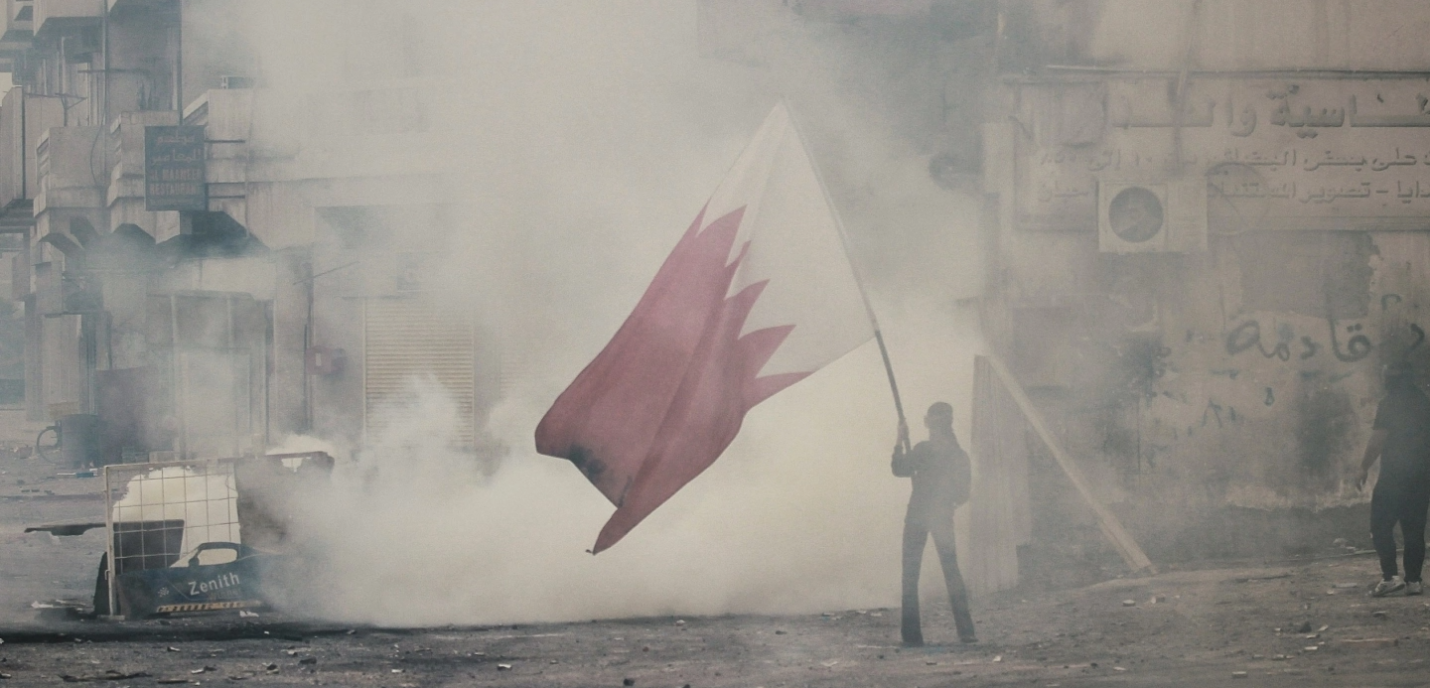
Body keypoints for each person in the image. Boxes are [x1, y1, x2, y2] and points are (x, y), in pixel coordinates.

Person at [892, 401, 976, 645]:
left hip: (917, 515)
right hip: (942, 517)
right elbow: (963, 494)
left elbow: (898, 469)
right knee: (952, 572)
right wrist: (946, 504)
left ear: (928, 423)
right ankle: (966, 632)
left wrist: (899, 439)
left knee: (910, 576)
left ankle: (912, 636)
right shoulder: (959, 455)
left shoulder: (922, 450)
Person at [1356, 361, 1430, 597]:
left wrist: (1363, 467)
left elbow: (1378, 439)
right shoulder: (1425, 402)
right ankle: (1414, 582)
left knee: (1380, 527)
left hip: (1395, 476)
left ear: (1391, 379)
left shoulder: (1389, 404)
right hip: (1422, 476)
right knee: (1414, 531)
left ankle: (1390, 578)